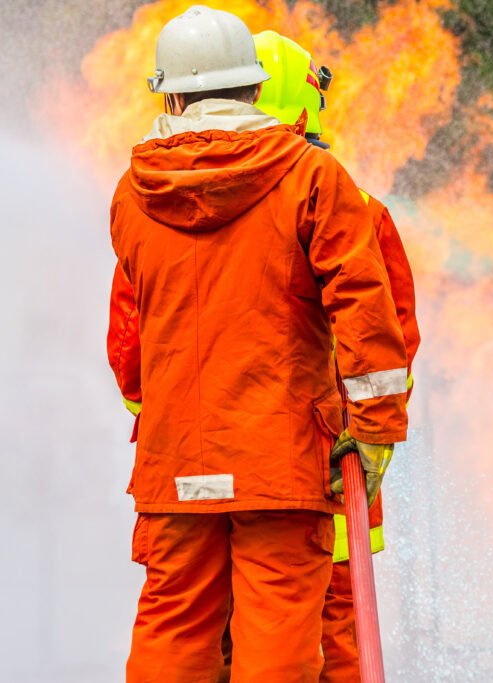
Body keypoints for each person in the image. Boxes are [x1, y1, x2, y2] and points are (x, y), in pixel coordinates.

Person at [105, 6, 409, 682]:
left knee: (174, 629)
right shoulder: (311, 177)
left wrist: (158, 422)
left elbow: (131, 336)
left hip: (173, 464)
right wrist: (376, 432)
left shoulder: (133, 193)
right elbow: (366, 309)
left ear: (172, 94)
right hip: (283, 460)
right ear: (250, 89)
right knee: (278, 634)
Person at [214, 30, 421, 683]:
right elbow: (394, 334)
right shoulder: (353, 204)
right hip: (327, 459)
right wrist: (369, 432)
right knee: (334, 627)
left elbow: (134, 344)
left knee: (217, 624)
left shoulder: (172, 193)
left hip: (212, 464)